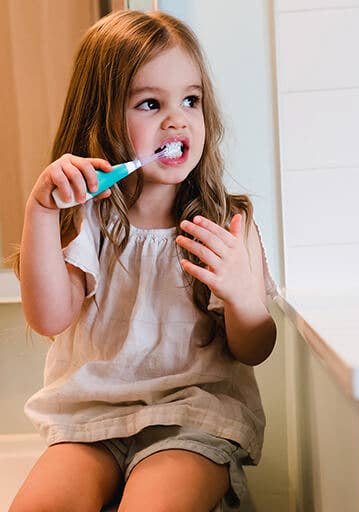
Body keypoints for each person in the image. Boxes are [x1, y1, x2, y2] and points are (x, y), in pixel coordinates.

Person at [9, 9, 278, 512]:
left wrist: (245, 296)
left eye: (191, 100)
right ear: (102, 116)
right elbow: (48, 318)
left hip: (190, 419)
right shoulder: (85, 218)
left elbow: (255, 347)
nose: (178, 119)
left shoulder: (225, 223)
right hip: (90, 421)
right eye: (151, 103)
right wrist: (42, 211)